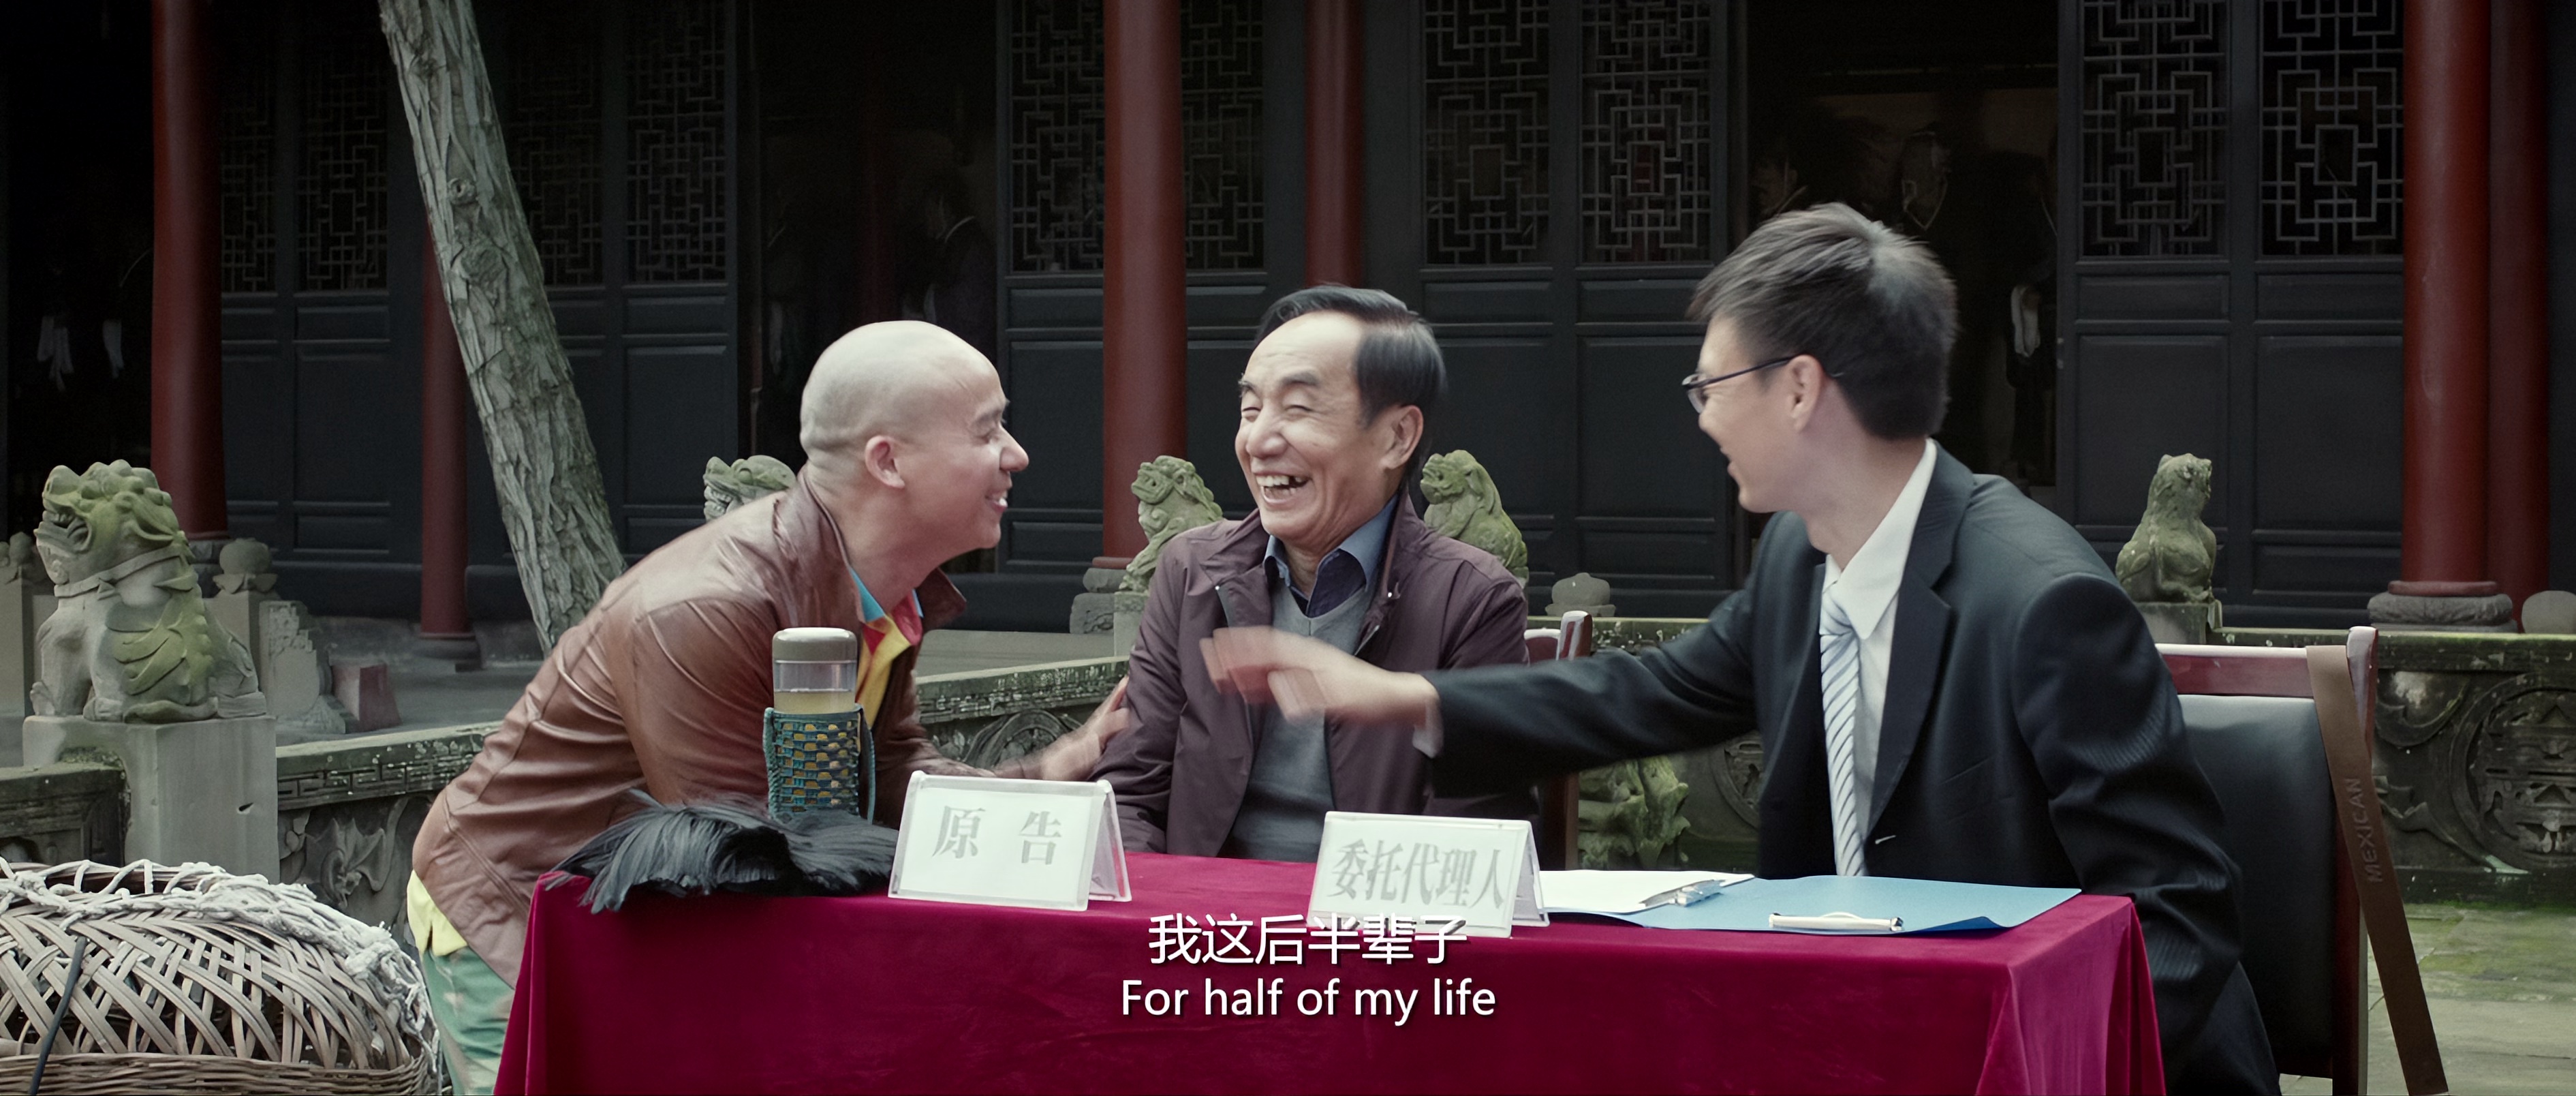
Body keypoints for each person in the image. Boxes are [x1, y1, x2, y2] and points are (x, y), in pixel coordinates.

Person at [1199, 207, 2276, 1093]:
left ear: (1798, 389)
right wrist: (1410, 700)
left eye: (1711, 388)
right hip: (1873, 1035)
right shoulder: (1804, 558)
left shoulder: (2043, 604)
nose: (1703, 421)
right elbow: (1652, 693)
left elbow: (2176, 917)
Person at [406, 321, 1126, 1093]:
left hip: (669, 906)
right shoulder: (707, 606)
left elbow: (889, 772)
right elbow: (746, 851)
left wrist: (1050, 773)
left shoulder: (880, 585)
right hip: (519, 907)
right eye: (987, 432)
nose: (1016, 455)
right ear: (888, 462)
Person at [1091, 287, 1538, 862]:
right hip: (1200, 912)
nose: (1258, 441)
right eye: (1251, 410)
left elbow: (1472, 838)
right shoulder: (1191, 571)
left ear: (1397, 437)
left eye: (1298, 408)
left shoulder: (1471, 598)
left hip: (1367, 913)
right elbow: (1130, 795)